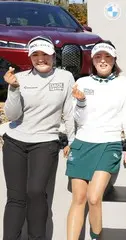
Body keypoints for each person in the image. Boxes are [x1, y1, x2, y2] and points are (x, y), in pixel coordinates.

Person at [2, 35, 75, 240]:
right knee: (15, 198)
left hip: (45, 141)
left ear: (53, 55)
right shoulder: (20, 78)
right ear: (30, 57)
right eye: (35, 54)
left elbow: (69, 112)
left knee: (35, 192)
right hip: (15, 141)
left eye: (45, 54)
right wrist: (14, 89)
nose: (40, 58)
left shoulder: (65, 78)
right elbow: (13, 115)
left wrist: (72, 141)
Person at [65, 40, 126, 240]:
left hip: (109, 143)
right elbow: (78, 119)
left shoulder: (125, 83)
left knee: (94, 198)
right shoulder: (82, 83)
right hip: (82, 143)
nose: (103, 61)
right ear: (92, 61)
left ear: (114, 60)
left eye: (107, 57)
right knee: (78, 198)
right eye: (98, 57)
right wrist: (81, 102)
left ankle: (97, 237)